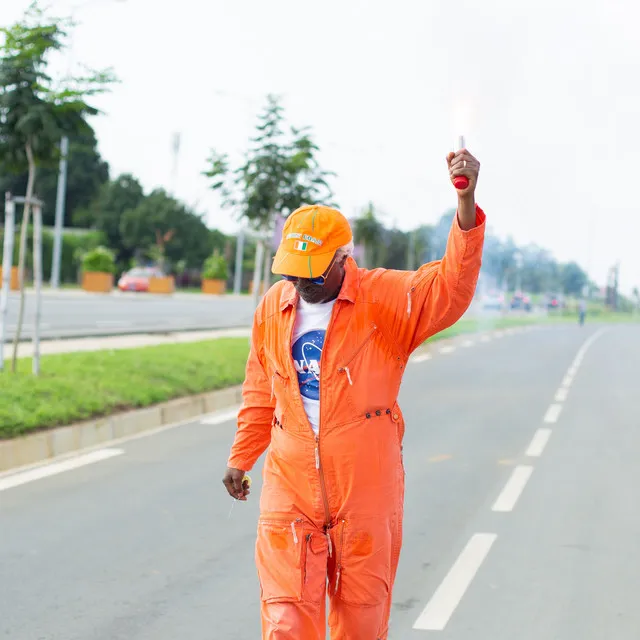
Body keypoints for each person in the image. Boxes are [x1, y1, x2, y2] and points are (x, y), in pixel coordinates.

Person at [222, 147, 486, 639]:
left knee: (361, 617)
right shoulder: (274, 308)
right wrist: (242, 456)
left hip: (365, 482)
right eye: (292, 272)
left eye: (314, 272)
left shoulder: (386, 299)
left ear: (345, 257)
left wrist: (465, 205)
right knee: (285, 617)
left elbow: (449, 288)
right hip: (290, 479)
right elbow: (262, 386)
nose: (301, 283)